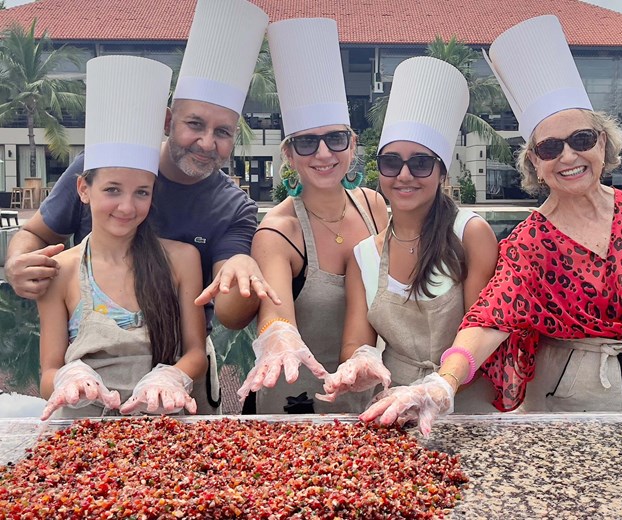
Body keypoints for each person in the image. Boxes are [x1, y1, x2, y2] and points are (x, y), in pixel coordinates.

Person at [361, 15, 622, 440]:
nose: (568, 156)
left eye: (582, 140)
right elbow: (489, 317)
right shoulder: (529, 241)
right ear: (534, 163)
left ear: (603, 143)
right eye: (550, 148)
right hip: (562, 405)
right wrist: (443, 383)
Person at [5, 0, 274, 414]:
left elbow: (226, 309)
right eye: (195, 124)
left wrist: (243, 272)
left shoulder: (231, 208)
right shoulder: (98, 166)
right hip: (87, 406)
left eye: (223, 132)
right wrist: (18, 262)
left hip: (177, 385)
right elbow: (35, 235)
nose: (207, 143)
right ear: (168, 121)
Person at [204, 18, 388, 414]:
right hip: (294, 402)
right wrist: (279, 334)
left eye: (335, 139)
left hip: (367, 397)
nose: (323, 154)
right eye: (307, 142)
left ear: (353, 145)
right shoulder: (278, 231)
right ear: (289, 154)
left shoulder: (373, 206)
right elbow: (276, 314)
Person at [316, 57, 498, 413]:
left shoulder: (470, 233)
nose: (404, 175)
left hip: (467, 402)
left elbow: (485, 326)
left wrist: (440, 385)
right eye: (391, 162)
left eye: (420, 163)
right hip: (393, 407)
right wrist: (360, 362)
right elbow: (356, 340)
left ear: (441, 171)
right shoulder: (364, 255)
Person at [38, 55, 207, 419]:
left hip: (163, 422)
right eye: (112, 190)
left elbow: (196, 352)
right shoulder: (61, 270)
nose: (127, 207)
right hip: (82, 432)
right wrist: (70, 377)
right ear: (83, 189)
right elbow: (47, 372)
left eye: (141, 193)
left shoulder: (181, 260)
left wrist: (171, 376)